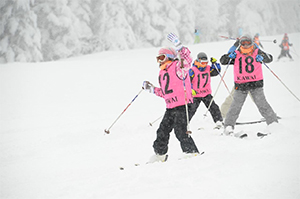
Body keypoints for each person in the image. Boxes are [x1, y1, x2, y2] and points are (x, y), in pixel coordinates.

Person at [143, 33, 199, 163]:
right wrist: (152, 89)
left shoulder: (178, 67)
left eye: (162, 57)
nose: (160, 61)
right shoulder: (162, 73)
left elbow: (187, 59)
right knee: (162, 131)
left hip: (184, 105)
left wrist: (179, 46)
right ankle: (160, 155)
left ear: (169, 57)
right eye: (158, 58)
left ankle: (191, 152)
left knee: (180, 130)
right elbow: (165, 93)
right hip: (170, 107)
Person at [220, 35, 278, 136]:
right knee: (235, 107)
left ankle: (273, 124)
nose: (246, 46)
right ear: (240, 44)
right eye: (243, 43)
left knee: (262, 104)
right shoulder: (236, 53)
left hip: (256, 84)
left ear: (252, 43)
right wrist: (229, 57)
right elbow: (223, 61)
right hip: (241, 85)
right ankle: (228, 127)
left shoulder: (256, 51)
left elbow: (269, 58)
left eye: (248, 43)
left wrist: (263, 57)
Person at [188, 52, 223, 129]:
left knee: (213, 107)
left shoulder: (208, 68)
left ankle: (219, 121)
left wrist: (215, 64)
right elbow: (187, 81)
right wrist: (190, 89)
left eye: (206, 62)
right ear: (198, 61)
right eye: (202, 62)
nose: (204, 64)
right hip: (196, 94)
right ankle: (184, 123)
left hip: (206, 93)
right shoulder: (192, 70)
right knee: (191, 109)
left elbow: (216, 72)